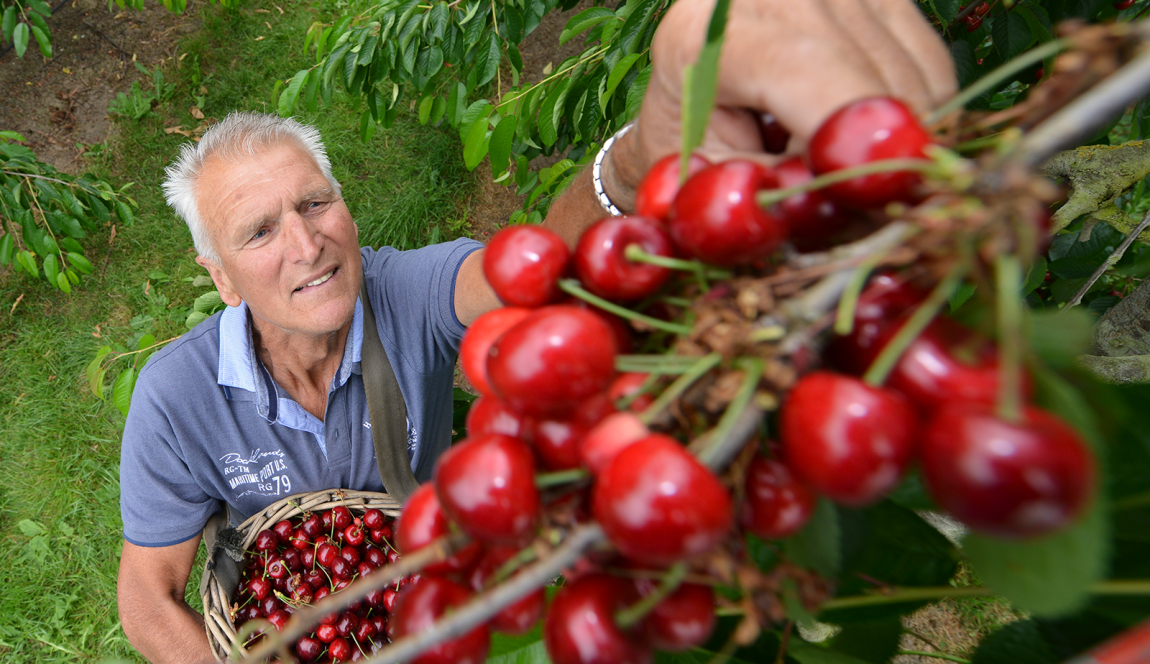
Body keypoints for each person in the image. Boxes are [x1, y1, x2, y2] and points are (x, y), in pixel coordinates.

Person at [116, 0, 957, 660]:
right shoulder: (175, 397)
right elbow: (147, 594)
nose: (308, 245)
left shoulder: (406, 287)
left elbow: (538, 268)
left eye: (316, 202)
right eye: (259, 233)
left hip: (425, 593)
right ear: (221, 279)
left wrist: (632, 165)